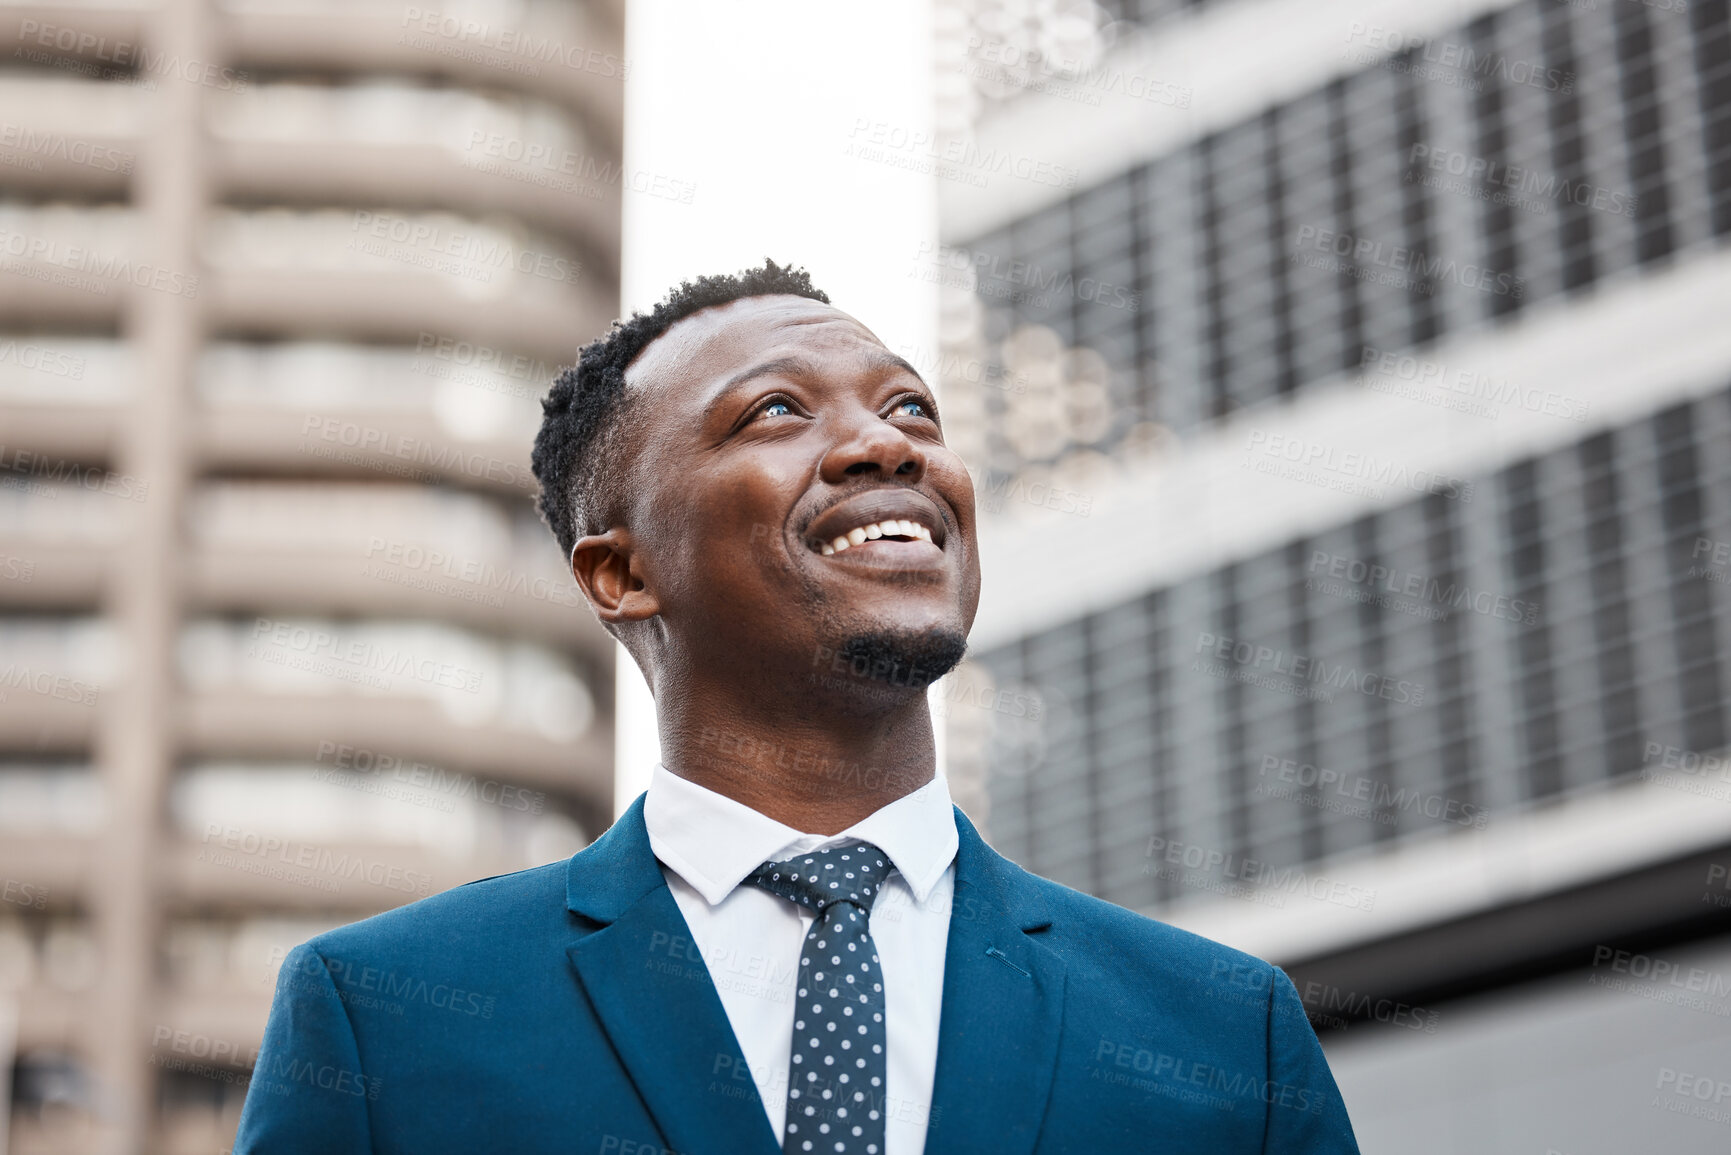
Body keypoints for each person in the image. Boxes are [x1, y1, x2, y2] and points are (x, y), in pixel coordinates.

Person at [235, 260, 1361, 1154]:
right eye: (776, 412)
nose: (886, 444)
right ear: (620, 574)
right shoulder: (389, 1020)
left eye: (911, 406)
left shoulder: (1221, 1034)